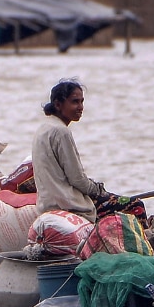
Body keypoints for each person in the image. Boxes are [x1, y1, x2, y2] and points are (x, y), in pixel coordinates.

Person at [31, 80, 113, 223]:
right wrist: (99, 190)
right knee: (135, 205)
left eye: (82, 102)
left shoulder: (43, 128)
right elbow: (77, 179)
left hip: (46, 205)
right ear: (58, 104)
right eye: (75, 102)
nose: (80, 107)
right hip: (68, 205)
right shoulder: (61, 132)